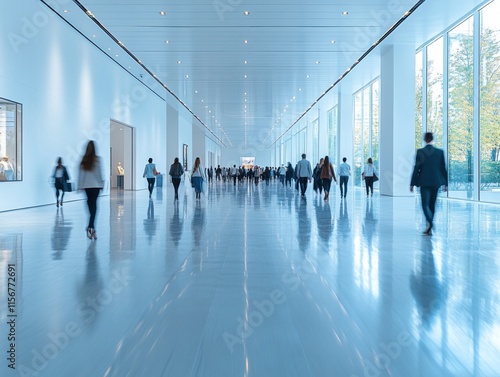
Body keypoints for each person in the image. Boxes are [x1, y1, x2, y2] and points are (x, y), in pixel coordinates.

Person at [410, 132, 448, 235]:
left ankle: (430, 223)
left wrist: (412, 183)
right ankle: (429, 227)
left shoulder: (420, 152)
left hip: (424, 182)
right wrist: (446, 183)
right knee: (432, 204)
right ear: (432, 139)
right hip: (436, 182)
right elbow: (443, 168)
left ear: (424, 139)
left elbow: (417, 168)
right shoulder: (440, 152)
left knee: (424, 205)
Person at [77, 140, 104, 240]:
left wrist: (79, 186)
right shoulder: (97, 160)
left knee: (90, 206)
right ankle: (91, 227)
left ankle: (90, 227)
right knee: (94, 207)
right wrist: (101, 184)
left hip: (87, 187)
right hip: (95, 186)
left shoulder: (83, 160)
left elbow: (81, 175)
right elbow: (99, 174)